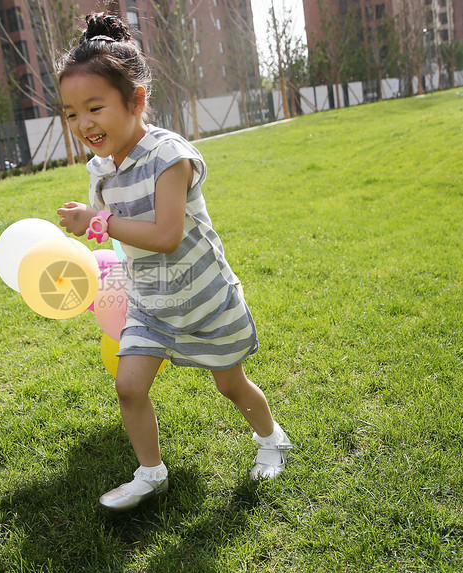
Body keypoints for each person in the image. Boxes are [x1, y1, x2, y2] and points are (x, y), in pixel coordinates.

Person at [56, 12, 293, 512]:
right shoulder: (99, 169)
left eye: (94, 107)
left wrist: (95, 223)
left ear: (136, 99)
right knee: (128, 386)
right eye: (72, 113)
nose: (83, 124)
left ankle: (272, 440)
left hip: (203, 295)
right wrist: (92, 234)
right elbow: (121, 237)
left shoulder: (171, 156)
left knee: (231, 385)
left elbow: (164, 235)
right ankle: (151, 473)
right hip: (152, 302)